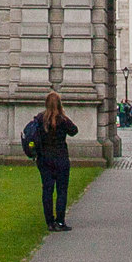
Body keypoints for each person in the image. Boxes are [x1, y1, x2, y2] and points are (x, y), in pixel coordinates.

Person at [22, 91, 78, 230]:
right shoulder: (63, 120)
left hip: (44, 159)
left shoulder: (40, 119)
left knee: (47, 190)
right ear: (59, 104)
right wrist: (64, 115)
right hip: (61, 158)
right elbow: (74, 131)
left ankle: (50, 222)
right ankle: (60, 221)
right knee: (61, 191)